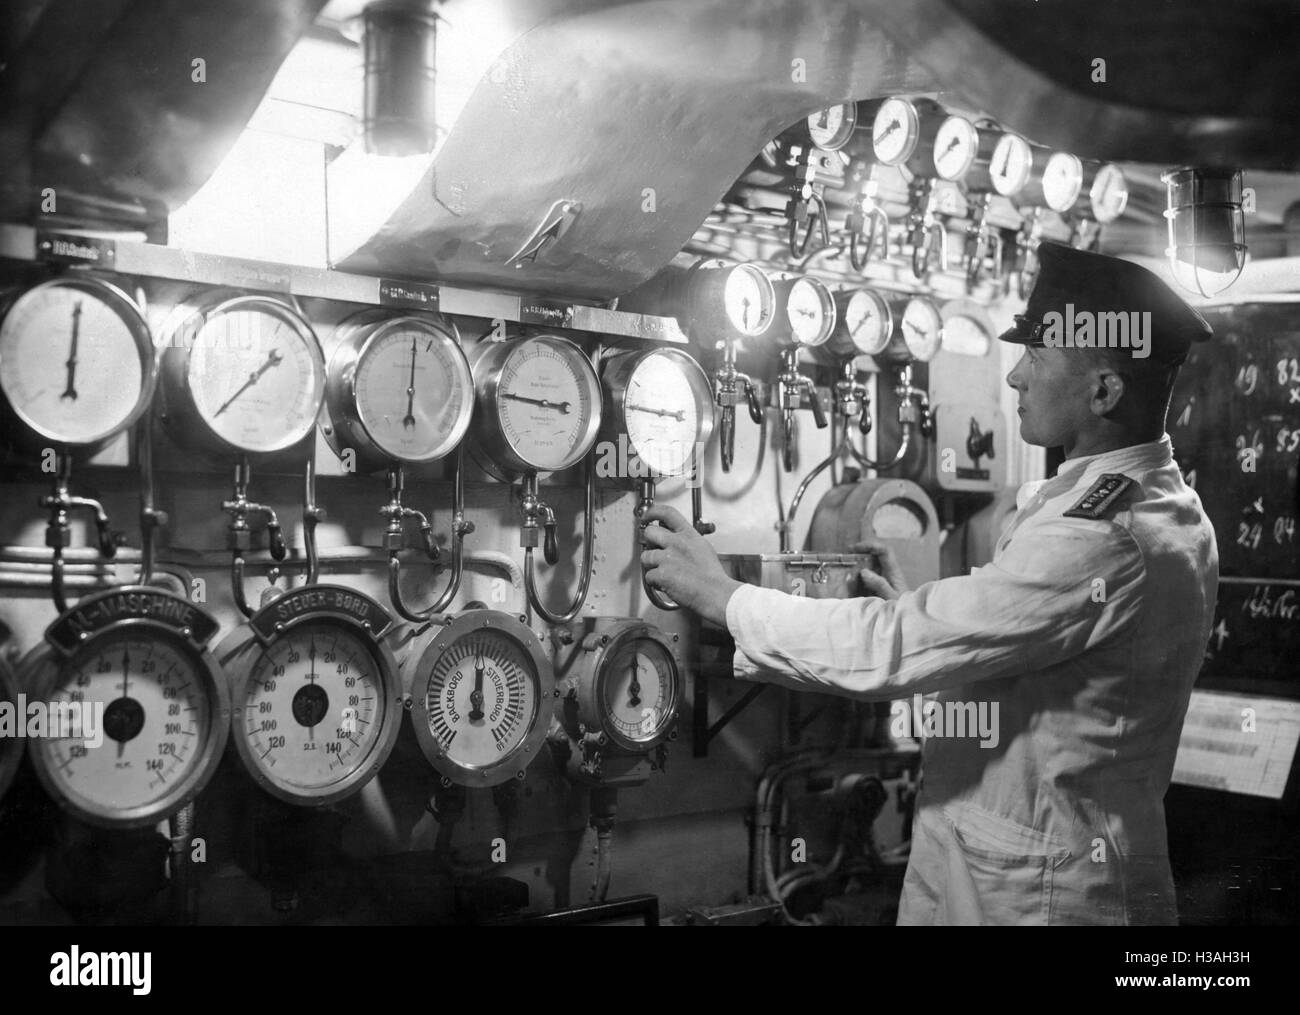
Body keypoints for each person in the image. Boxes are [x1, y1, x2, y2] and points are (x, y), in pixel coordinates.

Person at [640, 241, 1219, 925]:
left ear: (1103, 389)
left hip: (1044, 894)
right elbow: (1024, 662)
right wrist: (915, 616)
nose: (1015, 378)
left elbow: (902, 643)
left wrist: (725, 598)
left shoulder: (1103, 535)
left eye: (1036, 356)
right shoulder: (1152, 505)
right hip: (1016, 870)